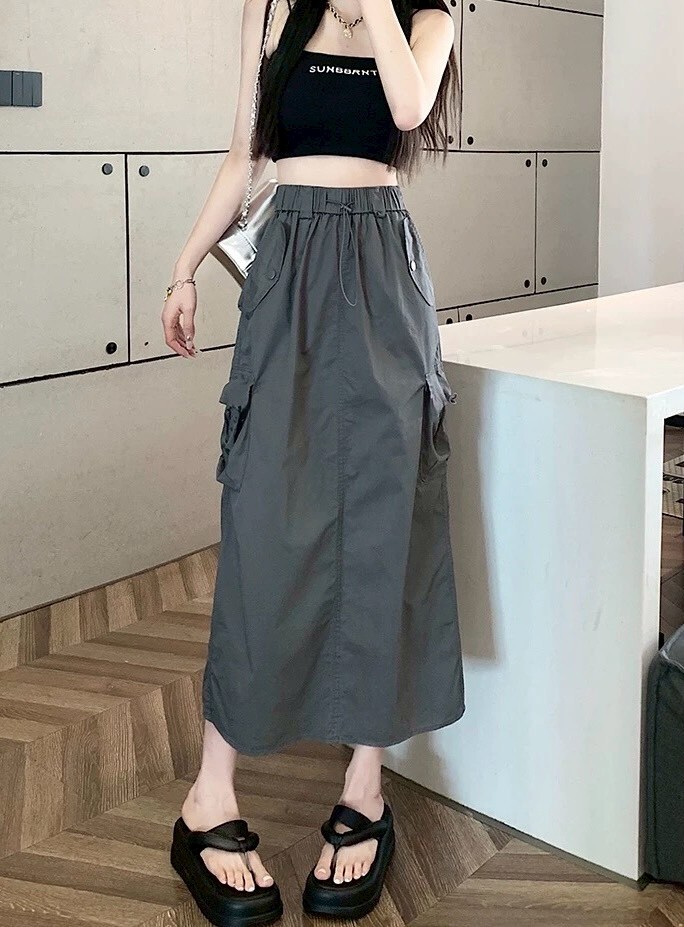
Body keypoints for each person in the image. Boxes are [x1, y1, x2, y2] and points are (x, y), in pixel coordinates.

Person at [162, 0, 465, 923]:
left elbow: (407, 109)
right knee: (261, 523)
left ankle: (365, 787)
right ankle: (209, 793)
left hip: (381, 276)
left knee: (383, 527)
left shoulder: (428, 20)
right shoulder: (266, 8)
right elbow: (244, 156)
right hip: (287, 266)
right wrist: (184, 266)